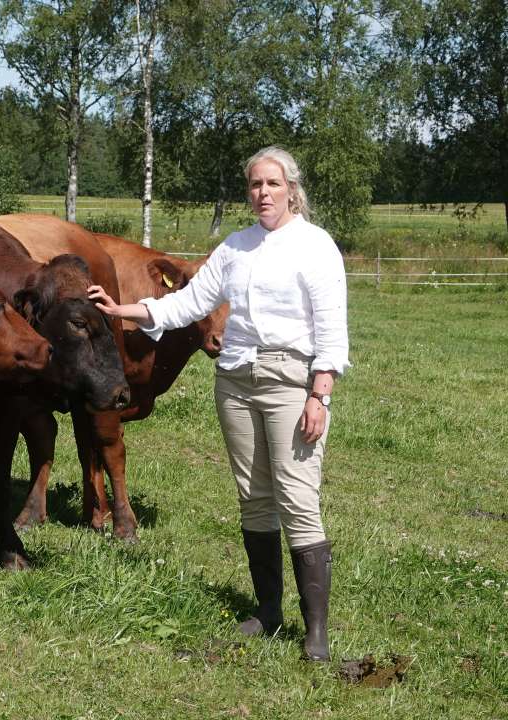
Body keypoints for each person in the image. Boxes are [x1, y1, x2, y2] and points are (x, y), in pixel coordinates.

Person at [86, 146, 349, 662]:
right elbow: (187, 303)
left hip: (289, 382)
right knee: (253, 496)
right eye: (255, 185)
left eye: (272, 184)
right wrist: (122, 309)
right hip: (235, 382)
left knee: (297, 500)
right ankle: (269, 611)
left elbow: (332, 331)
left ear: (292, 189)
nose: (263, 194)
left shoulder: (316, 247)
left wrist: (320, 394)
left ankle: (315, 631)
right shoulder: (235, 248)